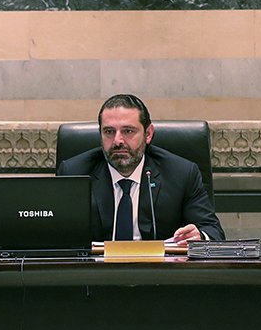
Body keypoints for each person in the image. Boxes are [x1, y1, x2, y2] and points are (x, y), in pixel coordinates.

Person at [57, 93, 224, 245]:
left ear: (148, 134)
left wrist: (200, 236)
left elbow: (213, 232)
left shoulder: (181, 173)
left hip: (160, 273)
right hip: (96, 274)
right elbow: (55, 234)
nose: (117, 140)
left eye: (128, 131)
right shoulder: (74, 173)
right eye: (109, 131)